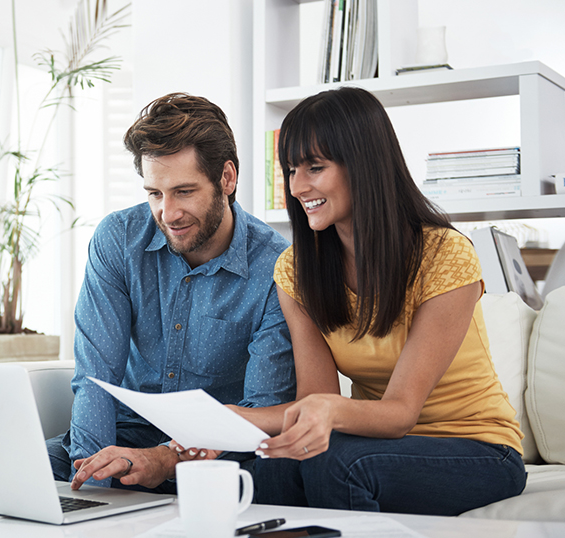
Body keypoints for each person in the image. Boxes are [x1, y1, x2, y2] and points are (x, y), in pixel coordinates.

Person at [192, 86, 526, 516]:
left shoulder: (445, 254)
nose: (297, 186)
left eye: (315, 167)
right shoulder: (296, 270)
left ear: (364, 165)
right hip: (378, 445)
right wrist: (233, 419)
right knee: (266, 466)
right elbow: (315, 399)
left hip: (477, 449)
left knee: (337, 466)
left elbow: (401, 413)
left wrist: (314, 414)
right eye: (292, 169)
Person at [45, 92, 296, 494]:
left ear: (227, 179)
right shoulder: (119, 240)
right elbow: (95, 376)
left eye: (184, 191)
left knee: (274, 479)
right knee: (21, 471)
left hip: (216, 456)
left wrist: (165, 458)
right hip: (122, 437)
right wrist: (91, 479)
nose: (168, 213)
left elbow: (260, 408)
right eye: (154, 194)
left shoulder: (276, 268)